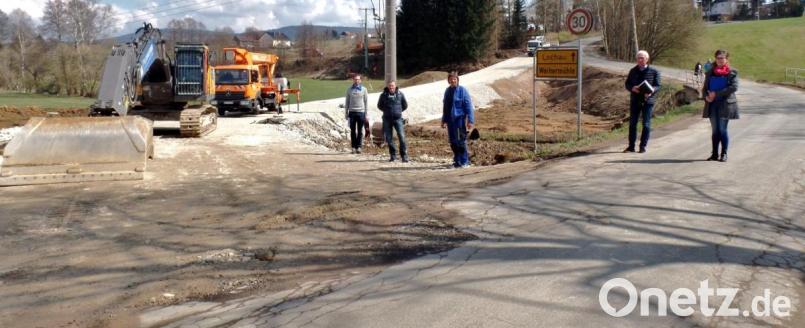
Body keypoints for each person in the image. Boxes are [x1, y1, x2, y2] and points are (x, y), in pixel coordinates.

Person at [702, 49, 739, 162]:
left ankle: (724, 154)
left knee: (722, 129)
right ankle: (714, 154)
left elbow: (734, 87)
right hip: (712, 104)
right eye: (718, 58)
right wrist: (706, 97)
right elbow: (705, 88)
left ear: (726, 59)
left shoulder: (732, 72)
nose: (720, 60)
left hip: (725, 105)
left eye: (722, 58)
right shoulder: (710, 72)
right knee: (715, 130)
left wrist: (716, 93)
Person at [623, 50, 661, 153]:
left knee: (646, 124)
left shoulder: (654, 71)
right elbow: (627, 84)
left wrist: (651, 91)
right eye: (638, 58)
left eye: (642, 58)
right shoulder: (632, 71)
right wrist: (632, 88)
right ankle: (631, 146)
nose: (640, 60)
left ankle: (642, 146)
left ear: (647, 60)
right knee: (632, 124)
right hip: (635, 100)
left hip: (648, 101)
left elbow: (658, 85)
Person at [442, 71, 475, 168]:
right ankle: (457, 161)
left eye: (454, 79)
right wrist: (444, 120)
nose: (453, 80)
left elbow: (468, 106)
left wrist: (470, 120)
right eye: (451, 79)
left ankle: (465, 161)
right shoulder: (447, 91)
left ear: (457, 80)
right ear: (448, 81)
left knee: (461, 141)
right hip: (450, 121)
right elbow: (445, 107)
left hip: (460, 120)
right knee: (453, 142)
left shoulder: (462, 91)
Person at [377, 80, 409, 162]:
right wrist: (387, 111)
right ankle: (393, 155)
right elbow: (379, 106)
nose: (391, 87)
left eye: (392, 86)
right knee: (389, 138)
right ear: (388, 86)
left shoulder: (400, 94)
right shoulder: (383, 95)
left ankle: (404, 156)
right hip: (387, 119)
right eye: (390, 86)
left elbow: (405, 105)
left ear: (395, 86)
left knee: (402, 137)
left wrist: (398, 111)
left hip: (398, 119)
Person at [344, 74, 369, 153]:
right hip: (352, 112)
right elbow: (347, 101)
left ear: (360, 80)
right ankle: (353, 147)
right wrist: (346, 113)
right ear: (353, 80)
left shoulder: (364, 89)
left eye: (358, 79)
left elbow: (366, 102)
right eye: (355, 79)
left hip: (361, 112)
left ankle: (359, 147)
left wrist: (366, 113)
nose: (356, 81)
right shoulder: (349, 89)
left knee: (360, 130)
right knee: (352, 130)